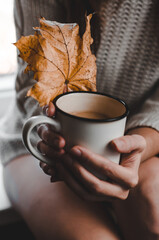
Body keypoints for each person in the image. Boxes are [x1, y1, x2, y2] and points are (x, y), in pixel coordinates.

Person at [1, 0, 159, 239]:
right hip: (43, 143)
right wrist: (51, 130)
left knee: (153, 219)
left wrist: (141, 143)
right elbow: (34, 86)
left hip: (146, 138)